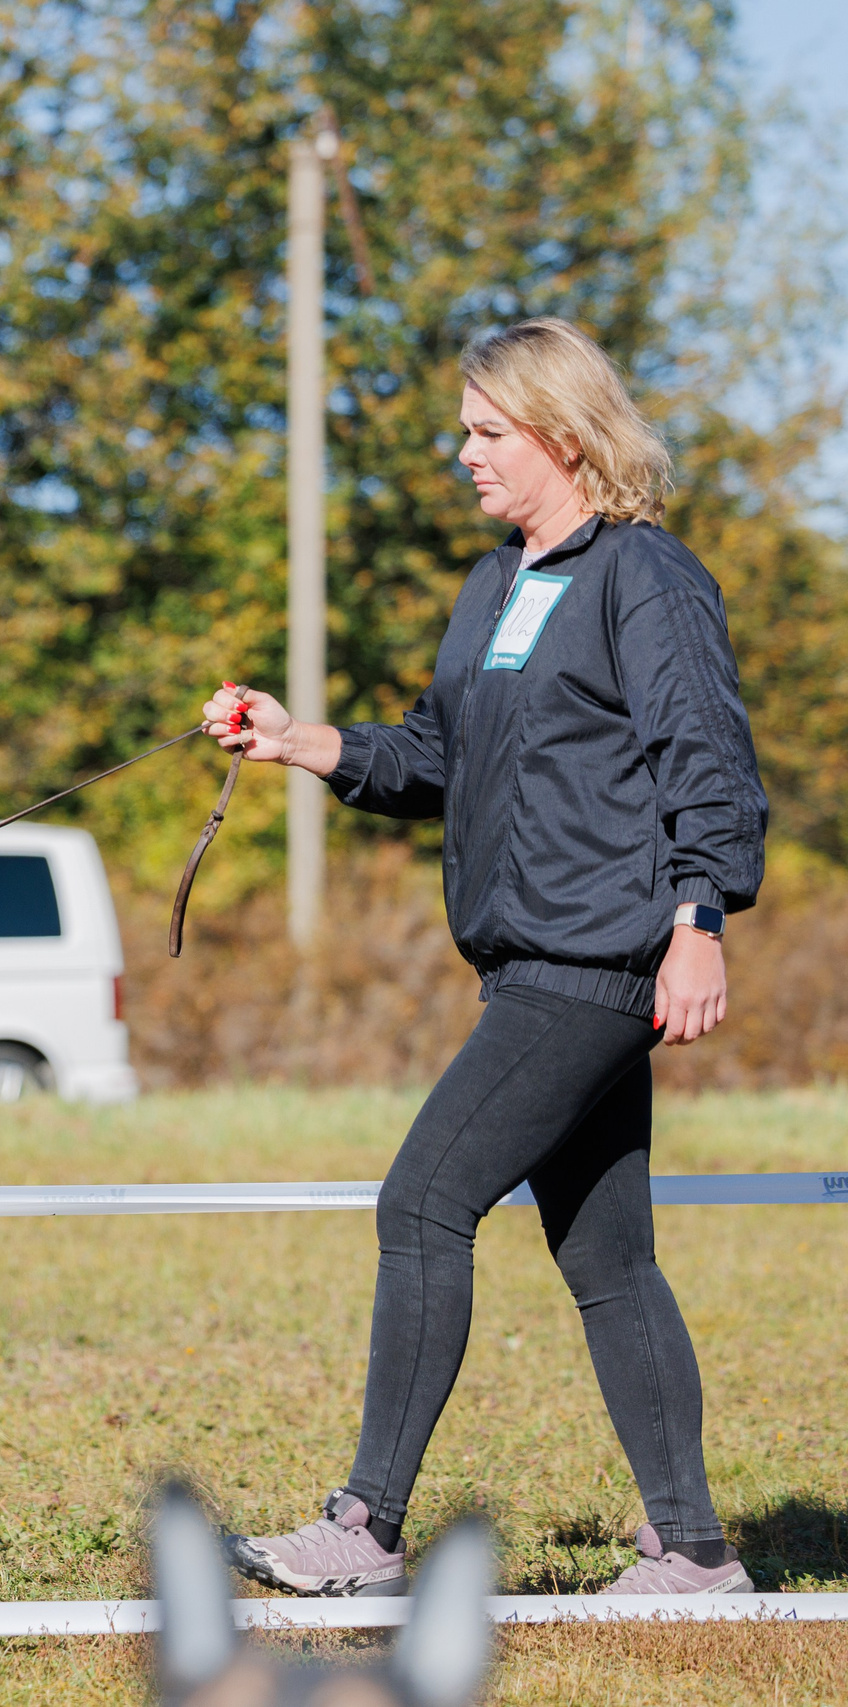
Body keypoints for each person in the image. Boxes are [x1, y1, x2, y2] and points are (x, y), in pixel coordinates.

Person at [210, 318, 765, 1597]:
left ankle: (363, 1529)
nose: (460, 452)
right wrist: (302, 744)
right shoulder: (496, 585)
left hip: (598, 961)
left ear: (562, 437)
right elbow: (437, 757)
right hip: (523, 962)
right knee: (606, 1256)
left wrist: (699, 924)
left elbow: (710, 768)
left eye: (485, 431)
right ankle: (690, 1549)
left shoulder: (646, 579)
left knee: (421, 1201)